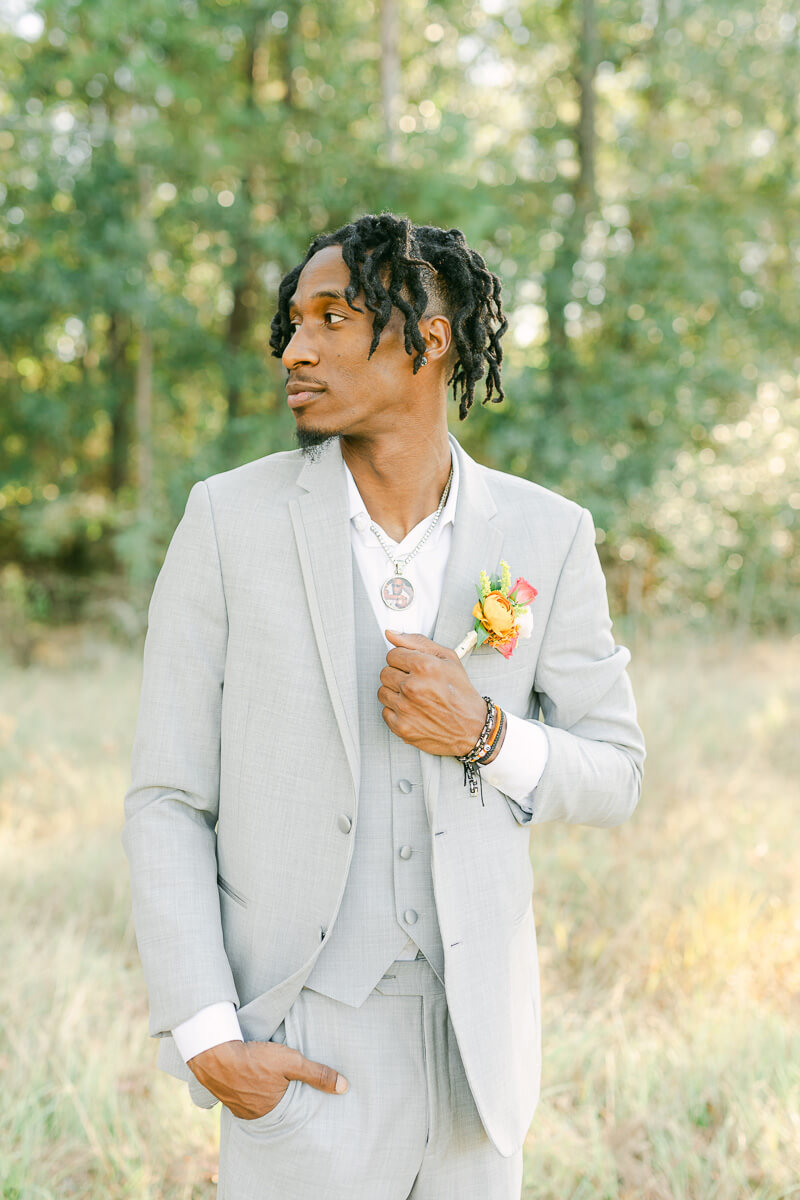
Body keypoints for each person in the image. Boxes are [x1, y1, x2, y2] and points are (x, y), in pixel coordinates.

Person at [122, 212, 646, 1199]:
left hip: (475, 1064)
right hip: (297, 1048)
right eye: (291, 322)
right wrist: (206, 1036)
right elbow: (166, 799)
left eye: (331, 317)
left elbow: (614, 774)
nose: (294, 347)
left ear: (425, 339)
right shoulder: (227, 521)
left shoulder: (549, 533)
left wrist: (486, 736)